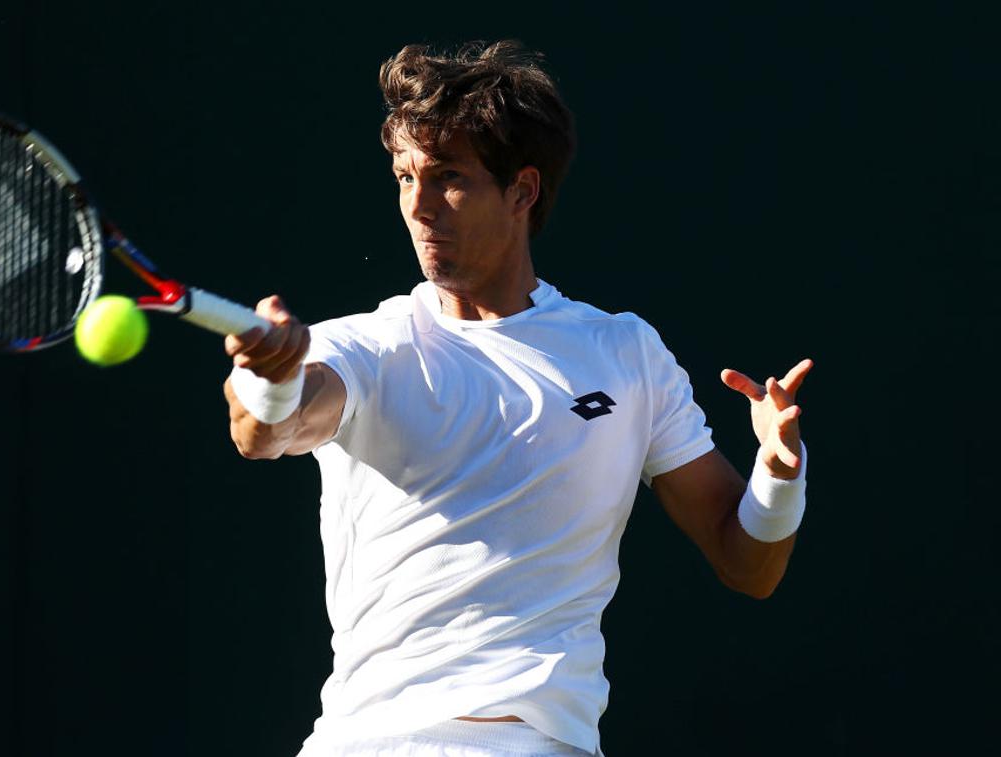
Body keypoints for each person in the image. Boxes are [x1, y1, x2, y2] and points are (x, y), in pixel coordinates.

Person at [222, 40, 812, 757]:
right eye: (404, 176)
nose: (417, 204)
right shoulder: (367, 346)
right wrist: (270, 376)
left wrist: (778, 473)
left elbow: (746, 562)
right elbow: (263, 430)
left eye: (447, 178)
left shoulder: (624, 354)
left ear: (522, 191)